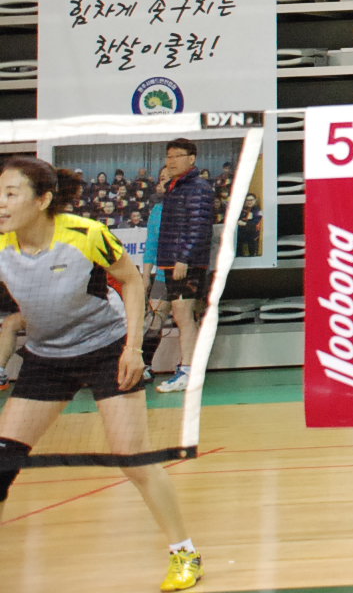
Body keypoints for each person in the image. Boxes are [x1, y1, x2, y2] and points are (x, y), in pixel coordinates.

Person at [0, 157, 205, 590]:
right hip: (45, 356)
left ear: (43, 200)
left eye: (10, 194)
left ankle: (185, 552)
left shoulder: (85, 234)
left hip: (105, 350)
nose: (1, 203)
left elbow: (131, 281)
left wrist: (133, 348)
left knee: (133, 459)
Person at [150, 140, 215, 396]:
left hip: (186, 263)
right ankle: (188, 369)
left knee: (184, 314)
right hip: (171, 260)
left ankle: (188, 371)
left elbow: (199, 226)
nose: (171, 161)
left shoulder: (198, 188)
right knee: (181, 315)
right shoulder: (175, 187)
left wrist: (184, 258)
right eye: (169, 156)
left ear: (192, 158)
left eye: (177, 156)